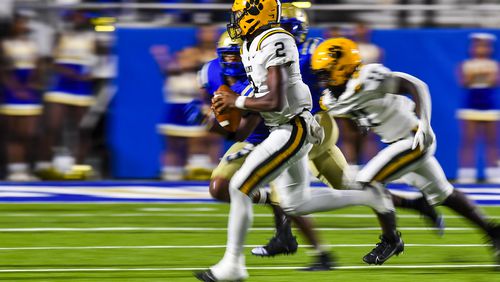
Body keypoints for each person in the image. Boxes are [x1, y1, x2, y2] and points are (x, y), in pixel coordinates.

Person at [195, 1, 399, 281]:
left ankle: (233, 266)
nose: (236, 19)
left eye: (241, 14)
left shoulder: (277, 39)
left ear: (258, 12)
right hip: (280, 126)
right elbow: (259, 103)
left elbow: (275, 99)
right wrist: (230, 122)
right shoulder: (250, 45)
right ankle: (369, 195)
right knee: (295, 204)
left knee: (241, 187)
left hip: (292, 127)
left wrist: (235, 100)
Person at [312, 37, 500, 266]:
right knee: (443, 194)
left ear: (343, 66)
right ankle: (493, 232)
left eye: (326, 71)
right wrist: (359, 124)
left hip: (414, 138)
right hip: (398, 143)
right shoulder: (331, 99)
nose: (322, 78)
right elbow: (353, 120)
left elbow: (416, 85)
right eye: (320, 73)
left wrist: (424, 123)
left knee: (368, 183)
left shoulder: (368, 77)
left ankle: (391, 239)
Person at [196, 30, 334, 270]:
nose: (231, 61)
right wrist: (207, 118)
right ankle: (271, 201)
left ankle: (322, 253)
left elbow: (240, 127)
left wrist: (223, 117)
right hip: (251, 140)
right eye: (226, 56)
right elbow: (230, 126)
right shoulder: (210, 72)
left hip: (278, 137)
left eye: (235, 56)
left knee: (290, 200)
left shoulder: (256, 77)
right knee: (219, 188)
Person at [38, 10, 97, 179]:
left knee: (83, 129)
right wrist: (68, 73)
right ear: (69, 18)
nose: (78, 19)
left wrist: (93, 73)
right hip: (61, 85)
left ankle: (79, 167)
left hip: (81, 88)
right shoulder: (58, 35)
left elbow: (101, 61)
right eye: (75, 16)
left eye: (81, 16)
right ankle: (45, 165)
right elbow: (48, 61)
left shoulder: (93, 39)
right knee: (52, 126)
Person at [0, 13, 42, 180]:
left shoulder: (33, 45)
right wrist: (16, 89)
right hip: (12, 92)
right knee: (13, 133)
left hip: (30, 92)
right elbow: (3, 71)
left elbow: (38, 67)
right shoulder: (4, 44)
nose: (23, 26)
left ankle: (25, 166)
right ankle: (14, 169)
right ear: (13, 26)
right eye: (20, 23)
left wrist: (34, 83)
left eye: (25, 23)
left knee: (29, 133)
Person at [456, 33, 500, 183]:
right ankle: (466, 173)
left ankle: (494, 172)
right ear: (472, 48)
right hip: (470, 106)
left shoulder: (494, 65)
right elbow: (464, 82)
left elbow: (495, 81)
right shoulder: (466, 64)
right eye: (477, 45)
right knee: (468, 140)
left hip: (489, 107)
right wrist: (476, 76)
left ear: (489, 48)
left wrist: (484, 75)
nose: (481, 49)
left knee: (492, 140)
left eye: (484, 46)